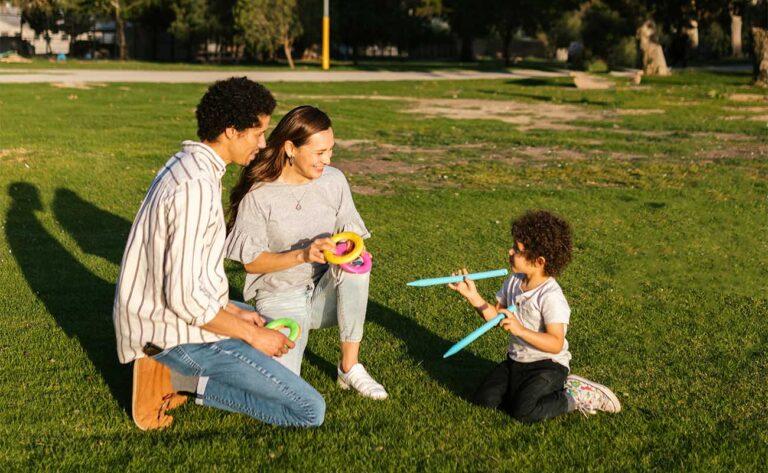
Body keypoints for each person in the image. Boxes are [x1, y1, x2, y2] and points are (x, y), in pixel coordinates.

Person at [113, 77, 325, 430]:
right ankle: (179, 380)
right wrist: (252, 336)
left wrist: (231, 311)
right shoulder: (194, 187)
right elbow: (185, 298)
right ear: (230, 130)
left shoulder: (189, 165)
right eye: (257, 133)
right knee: (309, 410)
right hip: (171, 335)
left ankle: (189, 360)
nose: (262, 144)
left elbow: (190, 276)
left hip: (166, 314)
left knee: (257, 316)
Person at [225, 105, 387, 400]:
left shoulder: (334, 181)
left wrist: (354, 253)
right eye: (319, 152)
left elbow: (351, 236)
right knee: (283, 388)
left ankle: (349, 367)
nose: (328, 159)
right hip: (280, 297)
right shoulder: (259, 195)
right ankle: (233, 324)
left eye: (330, 151)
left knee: (356, 271)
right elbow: (251, 262)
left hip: (324, 292)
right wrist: (303, 254)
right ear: (290, 148)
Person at [447, 210, 621, 423]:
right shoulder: (513, 281)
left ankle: (574, 394)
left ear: (539, 261)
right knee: (484, 400)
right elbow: (496, 317)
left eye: (517, 250)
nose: (510, 251)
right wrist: (472, 296)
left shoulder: (550, 296)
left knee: (524, 412)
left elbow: (556, 343)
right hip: (516, 361)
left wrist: (520, 329)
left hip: (548, 365)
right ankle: (523, 391)